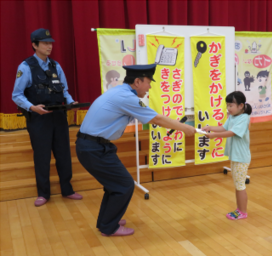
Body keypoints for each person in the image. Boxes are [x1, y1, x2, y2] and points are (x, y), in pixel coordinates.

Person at [76, 64, 196, 236]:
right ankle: (109, 227)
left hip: (96, 146)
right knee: (124, 185)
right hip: (93, 147)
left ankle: (107, 221)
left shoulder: (122, 93)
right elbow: (157, 118)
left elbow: (153, 118)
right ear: (138, 81)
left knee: (115, 185)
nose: (150, 86)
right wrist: (184, 128)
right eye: (149, 82)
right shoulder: (126, 97)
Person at [12, 28, 83, 207]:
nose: (49, 46)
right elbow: (17, 95)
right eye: (44, 43)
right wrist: (32, 107)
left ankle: (67, 189)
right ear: (34, 45)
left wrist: (71, 102)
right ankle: (43, 193)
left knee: (63, 154)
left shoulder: (56, 66)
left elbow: (64, 90)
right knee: (42, 156)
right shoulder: (26, 67)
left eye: (50, 43)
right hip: (39, 119)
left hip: (58, 117)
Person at [202, 91, 252, 220]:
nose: (228, 109)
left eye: (231, 105)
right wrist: (210, 127)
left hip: (241, 157)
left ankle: (243, 211)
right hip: (235, 156)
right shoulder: (232, 117)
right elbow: (224, 128)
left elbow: (232, 133)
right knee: (237, 184)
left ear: (241, 106)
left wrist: (213, 135)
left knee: (240, 185)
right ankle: (239, 209)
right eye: (227, 106)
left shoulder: (244, 118)